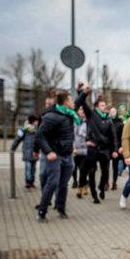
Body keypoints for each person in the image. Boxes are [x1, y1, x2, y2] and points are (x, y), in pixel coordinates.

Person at [34, 92, 79, 222]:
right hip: (55, 154)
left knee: (64, 183)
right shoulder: (52, 116)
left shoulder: (70, 115)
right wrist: (48, 151)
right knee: (53, 182)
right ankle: (42, 211)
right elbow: (39, 135)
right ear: (65, 102)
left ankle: (61, 208)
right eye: (71, 100)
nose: (73, 102)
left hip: (67, 154)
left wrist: (84, 93)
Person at [77, 84, 119, 204]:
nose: (104, 107)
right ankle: (94, 194)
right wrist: (81, 91)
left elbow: (113, 137)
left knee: (105, 172)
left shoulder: (108, 120)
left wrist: (114, 150)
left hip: (105, 149)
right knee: (92, 171)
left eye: (105, 105)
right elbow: (82, 102)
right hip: (93, 148)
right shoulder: (91, 115)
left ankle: (101, 187)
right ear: (96, 107)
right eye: (102, 105)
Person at [11, 115, 39, 188]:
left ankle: (32, 181)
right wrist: (12, 148)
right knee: (28, 167)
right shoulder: (25, 130)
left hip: (35, 151)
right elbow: (18, 139)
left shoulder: (37, 130)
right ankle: (28, 181)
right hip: (27, 150)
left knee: (33, 167)